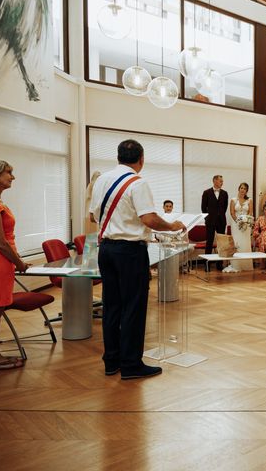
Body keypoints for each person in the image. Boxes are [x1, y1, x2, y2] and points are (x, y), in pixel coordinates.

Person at [90, 140, 185, 379]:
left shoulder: (101, 180)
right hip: (129, 252)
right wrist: (172, 225)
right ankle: (131, 364)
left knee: (112, 306)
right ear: (141, 159)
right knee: (133, 306)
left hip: (106, 249)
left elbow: (93, 216)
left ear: (118, 156)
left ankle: (111, 361)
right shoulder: (138, 182)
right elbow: (150, 219)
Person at [0, 159, 30, 370]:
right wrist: (21, 264)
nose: (12, 177)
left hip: (3, 261)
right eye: (9, 172)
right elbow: (0, 242)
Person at [201, 174, 229, 269]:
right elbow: (203, 208)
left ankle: (219, 264)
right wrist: (208, 218)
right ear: (214, 181)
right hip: (210, 221)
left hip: (221, 221)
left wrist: (220, 215)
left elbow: (225, 207)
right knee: (209, 242)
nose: (222, 182)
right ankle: (207, 264)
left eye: (222, 181)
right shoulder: (206, 192)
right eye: (220, 181)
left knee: (221, 243)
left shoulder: (225, 193)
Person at [228, 182, 253, 272]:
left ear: (246, 191)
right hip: (235, 224)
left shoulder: (249, 200)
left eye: (245, 189)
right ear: (239, 189)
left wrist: (245, 220)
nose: (243, 190)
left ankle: (246, 265)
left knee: (245, 243)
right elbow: (232, 213)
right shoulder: (233, 200)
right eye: (241, 188)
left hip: (246, 224)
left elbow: (250, 212)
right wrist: (238, 222)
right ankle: (236, 264)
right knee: (237, 243)